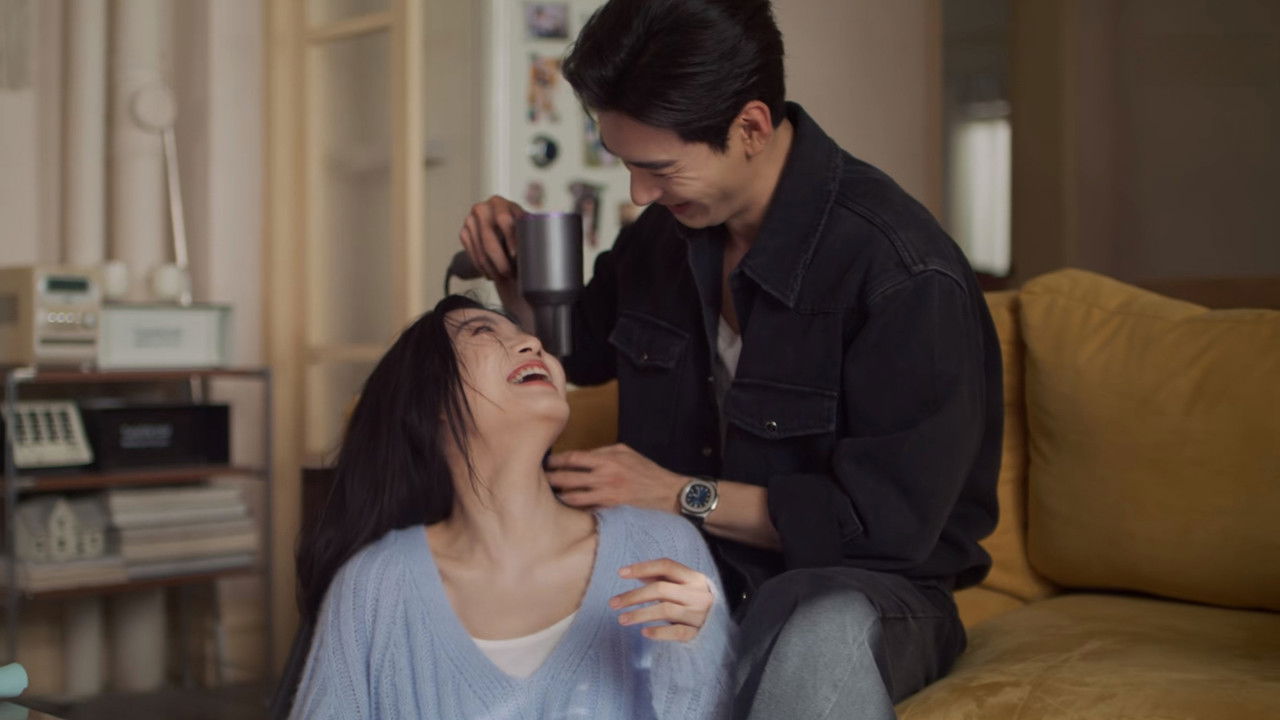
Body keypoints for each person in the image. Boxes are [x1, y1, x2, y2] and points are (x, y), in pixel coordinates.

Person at [456, 0, 1003, 718]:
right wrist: (518, 276)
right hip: (689, 573)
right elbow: (579, 354)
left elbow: (885, 528)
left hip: (862, 590)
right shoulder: (665, 235)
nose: (639, 193)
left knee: (816, 629)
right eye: (625, 164)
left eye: (658, 168)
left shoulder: (901, 272)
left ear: (750, 127)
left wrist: (680, 493)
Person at [286, 295, 734, 720]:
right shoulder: (374, 586)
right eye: (483, 331)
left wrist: (694, 651)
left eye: (527, 335)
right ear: (431, 398)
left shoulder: (661, 547)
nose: (533, 342)